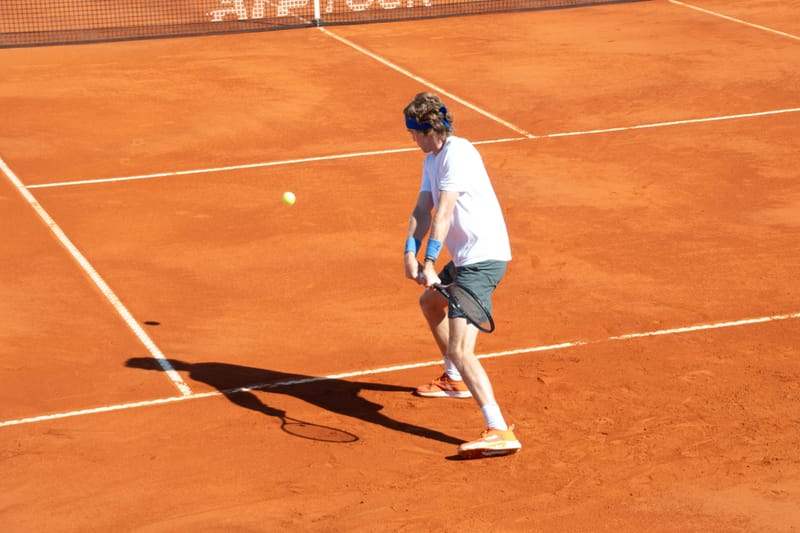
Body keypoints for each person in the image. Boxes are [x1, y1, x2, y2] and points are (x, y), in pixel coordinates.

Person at [402, 91, 521, 459]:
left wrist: (431, 262)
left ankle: (499, 428)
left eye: (413, 133)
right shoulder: (432, 160)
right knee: (430, 303)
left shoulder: (459, 154)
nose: (411, 139)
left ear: (427, 130)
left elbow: (445, 211)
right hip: (468, 257)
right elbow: (424, 209)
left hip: (482, 260)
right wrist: (409, 249)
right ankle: (454, 380)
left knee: (461, 347)